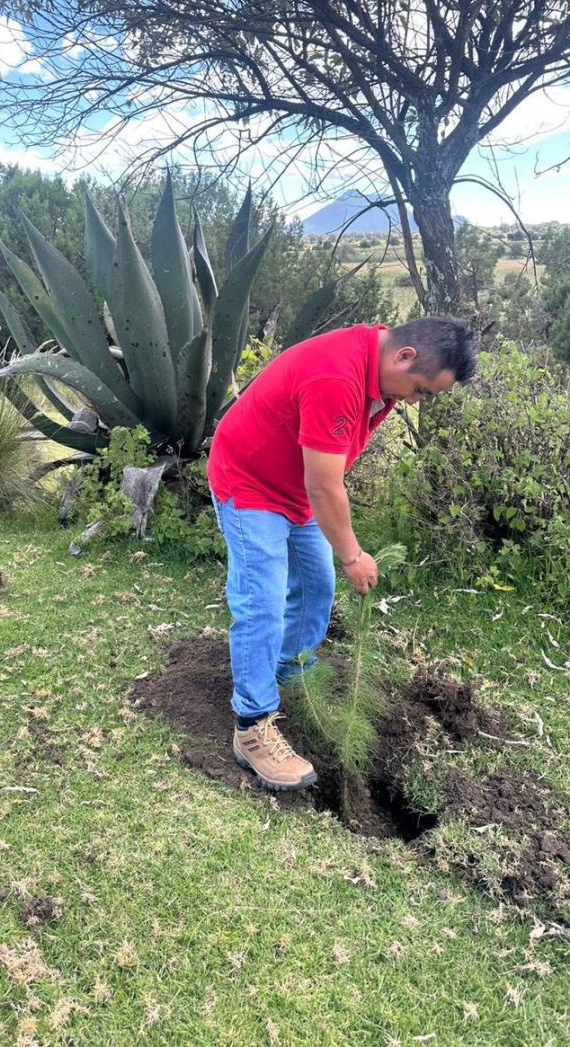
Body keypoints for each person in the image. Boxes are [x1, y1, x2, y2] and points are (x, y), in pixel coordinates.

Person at [207, 316, 475, 792]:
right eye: (421, 391)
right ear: (404, 357)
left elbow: (320, 475)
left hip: (295, 489)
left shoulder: (383, 374)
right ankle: (252, 726)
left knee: (315, 586)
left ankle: (292, 672)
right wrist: (352, 555)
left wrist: (339, 549)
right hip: (249, 483)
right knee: (262, 603)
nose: (414, 402)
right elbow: (325, 484)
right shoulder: (338, 377)